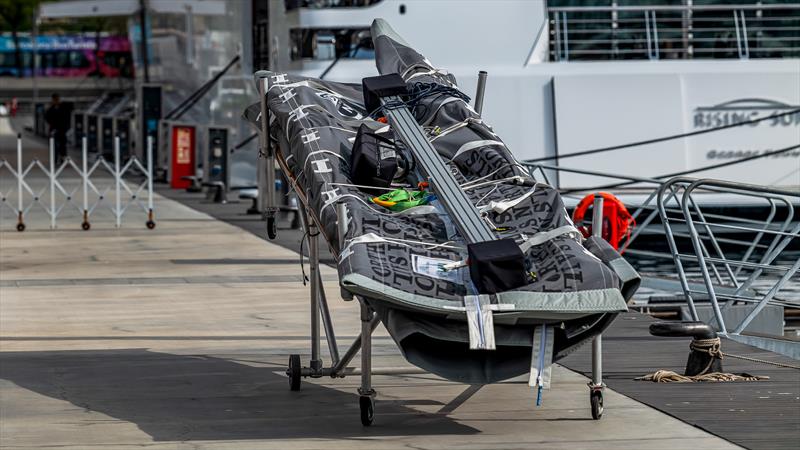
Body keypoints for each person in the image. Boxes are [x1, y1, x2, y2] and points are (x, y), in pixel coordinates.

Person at [45, 93, 70, 165]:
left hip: (62, 129)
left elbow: (66, 117)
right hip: (53, 129)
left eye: (57, 99)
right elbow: (47, 118)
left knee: (63, 145)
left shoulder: (63, 107)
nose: (56, 101)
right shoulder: (50, 109)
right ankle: (54, 160)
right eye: (54, 99)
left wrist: (66, 127)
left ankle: (63, 160)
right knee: (53, 145)